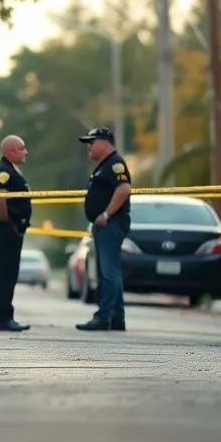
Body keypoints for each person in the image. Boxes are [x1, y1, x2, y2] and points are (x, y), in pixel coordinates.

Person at [76, 126, 133, 332]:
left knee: (108, 272)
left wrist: (107, 214)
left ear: (104, 142)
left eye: (91, 142)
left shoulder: (115, 164)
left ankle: (103, 316)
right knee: (109, 271)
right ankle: (116, 318)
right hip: (104, 226)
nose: (88, 147)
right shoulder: (105, 165)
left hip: (110, 224)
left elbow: (124, 188)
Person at [0, 134, 32, 332]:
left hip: (13, 229)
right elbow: (0, 200)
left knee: (9, 273)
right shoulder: (3, 172)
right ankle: (1, 318)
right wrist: (8, 224)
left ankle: (5, 316)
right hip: (7, 229)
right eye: (22, 148)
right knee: (5, 273)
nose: (25, 152)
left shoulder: (11, 169)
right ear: (11, 151)